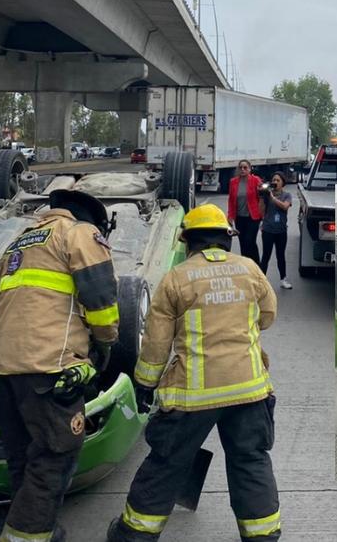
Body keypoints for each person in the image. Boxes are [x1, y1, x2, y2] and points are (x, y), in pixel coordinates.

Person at [107, 203, 280, 542]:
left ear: (188, 242)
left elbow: (156, 344)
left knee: (166, 462)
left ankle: (135, 535)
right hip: (249, 389)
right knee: (251, 459)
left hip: (193, 396)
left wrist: (144, 384)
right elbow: (268, 315)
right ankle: (263, 535)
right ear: (225, 240)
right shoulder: (249, 269)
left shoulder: (176, 278)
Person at [0, 189, 119, 542]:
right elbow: (100, 297)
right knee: (55, 454)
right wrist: (106, 343)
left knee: (24, 456)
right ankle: (27, 536)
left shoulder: (18, 243)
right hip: (49, 364)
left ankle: (39, 528)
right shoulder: (79, 233)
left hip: (4, 365)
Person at [259, 171, 293, 289]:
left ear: (283, 182)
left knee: (280, 255)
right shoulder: (267, 195)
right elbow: (261, 212)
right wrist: (263, 197)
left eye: (278, 180)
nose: (275, 182)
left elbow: (285, 206)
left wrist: (272, 197)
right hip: (268, 229)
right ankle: (261, 281)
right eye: (273, 180)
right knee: (266, 256)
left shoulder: (287, 195)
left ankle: (283, 279)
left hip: (281, 230)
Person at [227, 159, 264, 264]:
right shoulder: (233, 182)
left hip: (253, 217)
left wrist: (263, 214)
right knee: (242, 243)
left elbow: (262, 197)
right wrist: (230, 216)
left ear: (250, 169)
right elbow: (231, 200)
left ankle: (256, 265)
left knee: (250, 241)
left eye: (245, 168)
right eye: (240, 168)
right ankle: (246, 265)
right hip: (239, 217)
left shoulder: (256, 180)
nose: (242, 170)